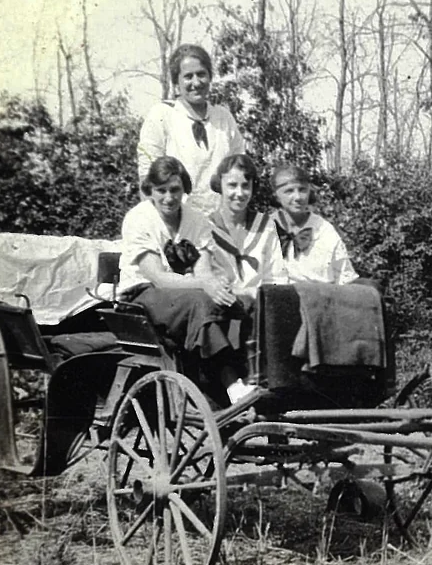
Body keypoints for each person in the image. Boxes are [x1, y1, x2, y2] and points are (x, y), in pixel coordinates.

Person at [117, 156, 254, 405]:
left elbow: (203, 272)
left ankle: (252, 374)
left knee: (244, 302)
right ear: (150, 191)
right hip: (140, 296)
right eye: (161, 190)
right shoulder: (138, 218)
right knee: (199, 303)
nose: (169, 198)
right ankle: (231, 384)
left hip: (184, 292)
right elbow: (158, 277)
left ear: (184, 190)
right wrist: (205, 284)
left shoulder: (196, 220)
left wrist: (218, 286)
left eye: (175, 190)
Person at [138, 44, 245, 216]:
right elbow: (147, 177)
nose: (196, 83)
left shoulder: (223, 118)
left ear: (210, 76)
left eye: (201, 74)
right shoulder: (162, 115)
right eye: (188, 76)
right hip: (176, 222)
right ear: (176, 82)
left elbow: (240, 171)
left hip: (221, 223)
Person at [206, 154, 282, 300]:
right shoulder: (206, 228)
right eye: (232, 185)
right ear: (219, 184)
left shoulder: (266, 226)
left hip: (260, 306)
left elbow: (276, 277)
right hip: (220, 308)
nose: (239, 193)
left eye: (246, 186)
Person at [268, 164, 358, 285]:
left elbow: (345, 279)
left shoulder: (324, 231)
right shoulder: (264, 229)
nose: (298, 197)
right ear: (276, 196)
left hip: (320, 300)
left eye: (302, 190)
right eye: (289, 191)